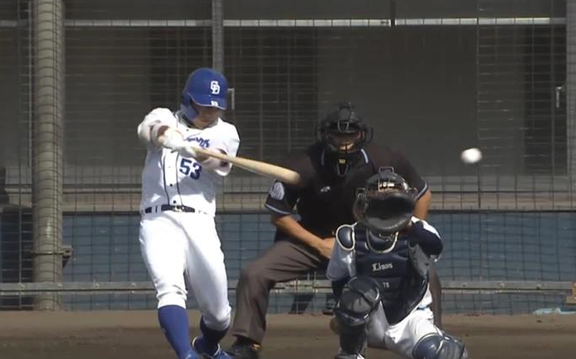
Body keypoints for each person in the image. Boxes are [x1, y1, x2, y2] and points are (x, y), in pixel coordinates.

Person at [227, 103, 434, 359]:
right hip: (312, 239)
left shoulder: (385, 160)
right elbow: (279, 215)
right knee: (254, 273)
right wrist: (319, 244)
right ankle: (247, 344)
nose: (344, 142)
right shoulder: (303, 163)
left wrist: (407, 232)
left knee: (426, 274)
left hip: (365, 240)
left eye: (350, 136)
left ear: (361, 134)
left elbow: (423, 195)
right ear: (326, 135)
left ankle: (431, 338)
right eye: (338, 135)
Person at [137, 67, 239, 359]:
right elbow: (147, 130)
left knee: (219, 315)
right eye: (204, 105)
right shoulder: (164, 115)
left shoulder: (227, 133)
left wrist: (189, 147)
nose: (209, 112)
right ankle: (185, 353)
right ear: (188, 99)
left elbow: (216, 162)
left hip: (199, 221)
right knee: (169, 288)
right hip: (157, 219)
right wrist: (166, 135)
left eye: (215, 108)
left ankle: (207, 346)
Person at [327, 169, 467, 359]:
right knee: (358, 292)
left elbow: (435, 247)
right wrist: (345, 320)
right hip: (370, 321)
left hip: (410, 318)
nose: (386, 209)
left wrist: (408, 226)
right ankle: (351, 352)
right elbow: (338, 279)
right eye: (379, 202)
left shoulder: (419, 230)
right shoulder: (349, 236)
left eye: (393, 201)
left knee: (444, 354)